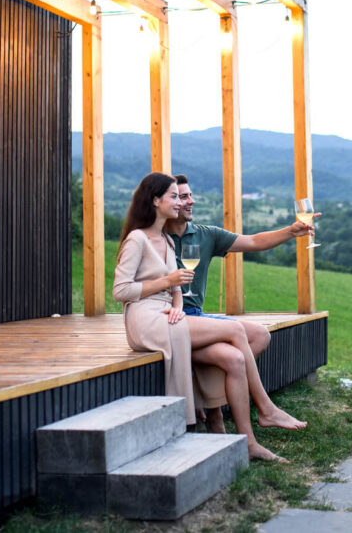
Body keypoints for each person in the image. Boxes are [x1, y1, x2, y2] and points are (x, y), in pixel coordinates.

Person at [114, 172, 284, 461]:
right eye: (174, 196)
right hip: (144, 319)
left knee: (235, 357)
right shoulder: (138, 239)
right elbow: (121, 291)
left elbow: (177, 285)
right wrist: (167, 285)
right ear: (156, 201)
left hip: (169, 313)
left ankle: (248, 442)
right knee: (235, 332)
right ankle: (264, 409)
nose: (181, 202)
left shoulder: (165, 240)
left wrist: (178, 303)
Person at [166, 174, 313, 433]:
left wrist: (291, 231)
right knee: (231, 353)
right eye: (184, 196)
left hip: (197, 315)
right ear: (170, 202)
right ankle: (244, 412)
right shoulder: (156, 237)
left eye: (190, 195)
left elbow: (254, 241)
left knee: (260, 336)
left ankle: (213, 406)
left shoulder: (205, 235)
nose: (191, 201)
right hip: (170, 320)